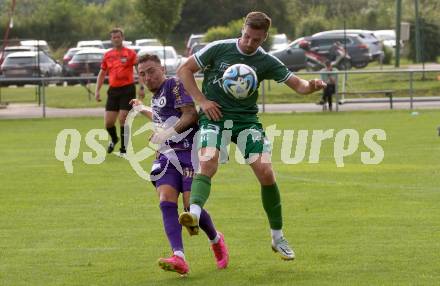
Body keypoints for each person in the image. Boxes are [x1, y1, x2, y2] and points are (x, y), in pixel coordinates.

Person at [176, 11, 326, 261]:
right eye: (246, 36)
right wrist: (202, 101)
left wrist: (311, 86)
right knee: (208, 161)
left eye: (255, 40)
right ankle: (193, 213)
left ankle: (277, 237)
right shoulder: (219, 49)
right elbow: (184, 69)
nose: (248, 43)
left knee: (266, 173)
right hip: (215, 118)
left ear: (264, 38)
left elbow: (299, 86)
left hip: (246, 121)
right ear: (242, 30)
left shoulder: (266, 61)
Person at [130, 54, 229, 275]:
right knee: (166, 200)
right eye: (142, 74)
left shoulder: (174, 84)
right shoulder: (156, 97)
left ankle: (216, 239)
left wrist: (165, 133)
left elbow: (190, 114)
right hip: (166, 155)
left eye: (152, 71)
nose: (147, 77)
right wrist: (141, 108)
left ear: (162, 69)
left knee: (188, 206)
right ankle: (179, 256)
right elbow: (160, 116)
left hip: (189, 152)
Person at [95, 27, 144, 156]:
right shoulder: (108, 55)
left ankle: (124, 148)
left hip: (127, 89)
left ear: (123, 38)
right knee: (108, 122)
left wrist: (142, 87)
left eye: (118, 37)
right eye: (114, 37)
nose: (116, 39)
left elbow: (139, 71)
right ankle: (114, 138)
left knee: (123, 118)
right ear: (111, 39)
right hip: (113, 90)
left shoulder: (131, 53)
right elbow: (102, 73)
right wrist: (97, 90)